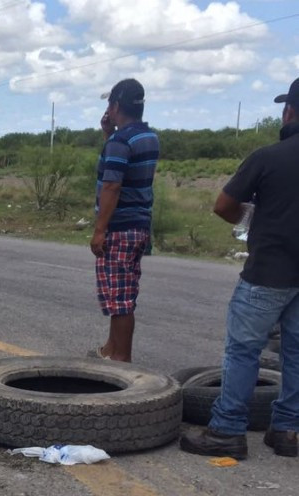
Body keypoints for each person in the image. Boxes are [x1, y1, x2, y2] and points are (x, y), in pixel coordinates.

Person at [180, 77, 299, 460]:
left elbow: (223, 205)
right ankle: (287, 431)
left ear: (289, 111)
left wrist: (246, 218)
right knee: (295, 354)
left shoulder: (268, 157)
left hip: (268, 272)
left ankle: (227, 430)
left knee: (243, 351)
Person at [87, 78, 159, 363]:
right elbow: (129, 173)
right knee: (124, 292)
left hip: (119, 228)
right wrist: (108, 135)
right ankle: (110, 349)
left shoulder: (120, 141)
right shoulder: (148, 137)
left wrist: (99, 230)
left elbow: (112, 186)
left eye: (109, 104)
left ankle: (121, 361)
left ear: (116, 105)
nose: (108, 109)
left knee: (120, 301)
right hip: (140, 225)